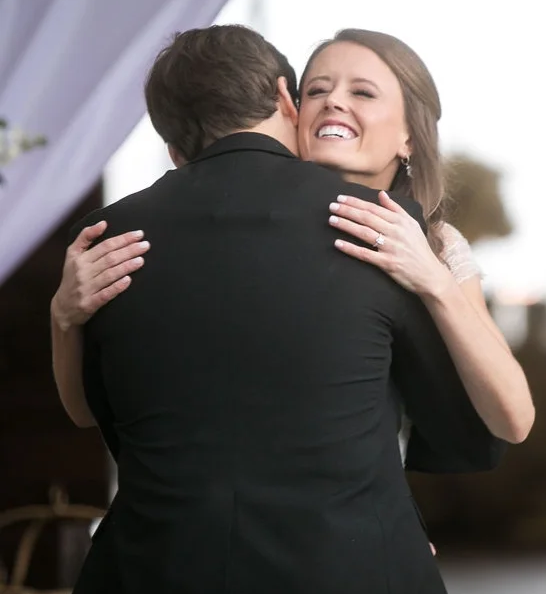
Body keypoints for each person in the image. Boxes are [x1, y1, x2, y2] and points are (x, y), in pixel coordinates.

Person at [54, 24, 505, 594]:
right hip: (350, 578)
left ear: (171, 142)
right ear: (285, 99)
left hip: (153, 579)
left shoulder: (104, 240)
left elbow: (86, 412)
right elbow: (463, 422)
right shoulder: (381, 229)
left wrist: (61, 319)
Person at [53, 30, 533, 455]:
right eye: (316, 90)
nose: (333, 101)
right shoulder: (241, 223)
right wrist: (63, 316)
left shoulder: (435, 243)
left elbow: (513, 420)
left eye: (362, 92)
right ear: (290, 107)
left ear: (409, 137)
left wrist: (435, 280)